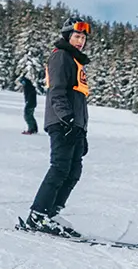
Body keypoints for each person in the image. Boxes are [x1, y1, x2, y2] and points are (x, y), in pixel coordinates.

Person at [21, 21, 92, 234]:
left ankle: (52, 212)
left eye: (83, 38)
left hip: (75, 125)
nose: (80, 41)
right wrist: (67, 119)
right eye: (76, 37)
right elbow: (57, 91)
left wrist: (81, 129)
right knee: (60, 167)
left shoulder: (75, 61)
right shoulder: (61, 56)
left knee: (73, 171)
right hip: (62, 122)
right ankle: (38, 215)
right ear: (67, 36)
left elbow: (78, 99)